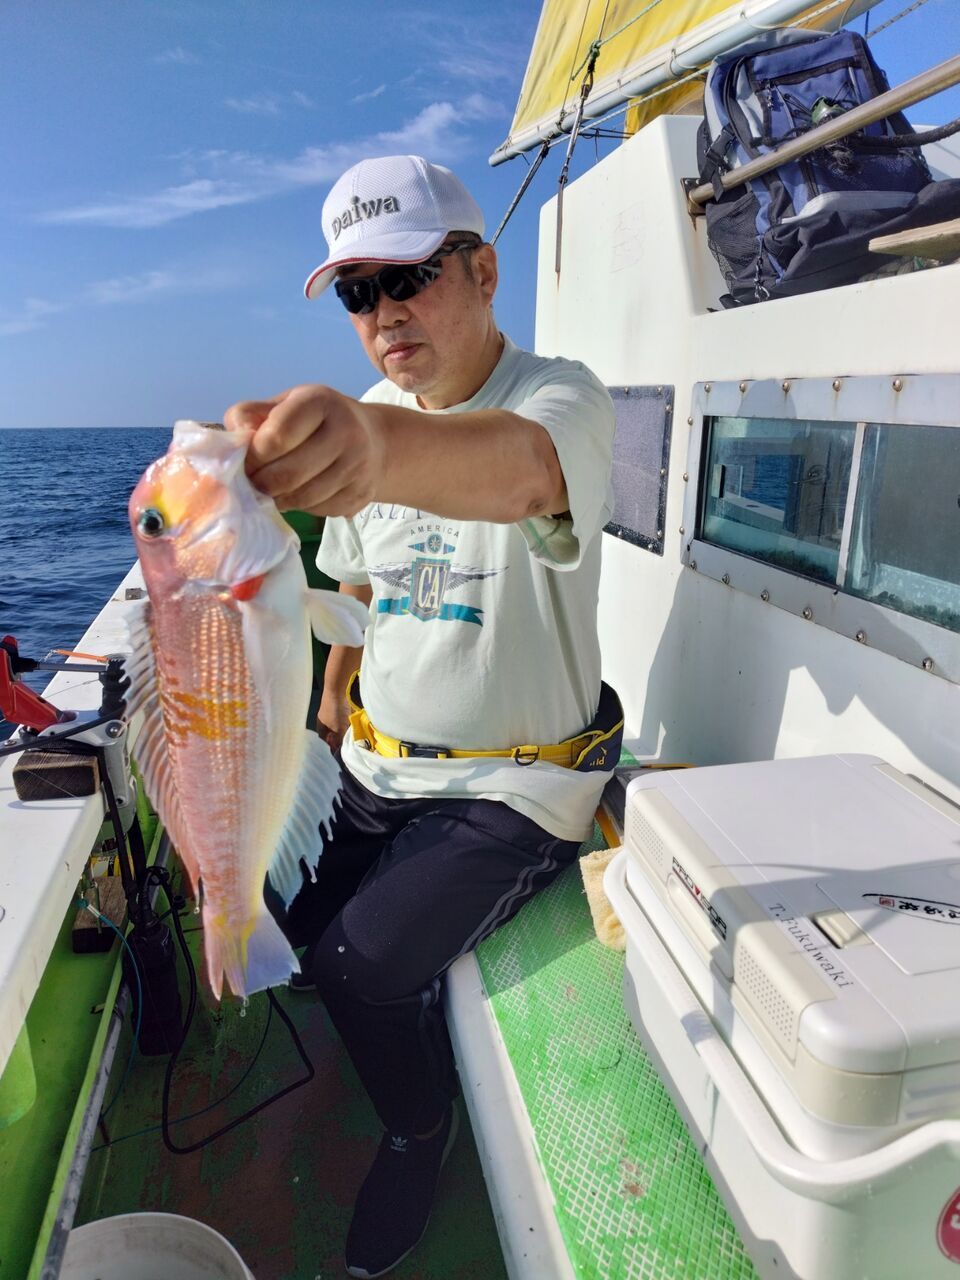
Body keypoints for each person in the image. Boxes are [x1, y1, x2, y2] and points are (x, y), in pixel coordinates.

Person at [225, 154, 619, 1279]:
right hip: (378, 763)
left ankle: (416, 1127)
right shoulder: (369, 419)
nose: (384, 313)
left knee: (358, 969)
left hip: (514, 783)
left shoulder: (559, 399)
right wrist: (330, 699)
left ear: (484, 271)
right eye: (358, 292)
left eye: (408, 278)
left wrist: (374, 449)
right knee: (290, 932)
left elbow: (523, 474)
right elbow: (357, 590)